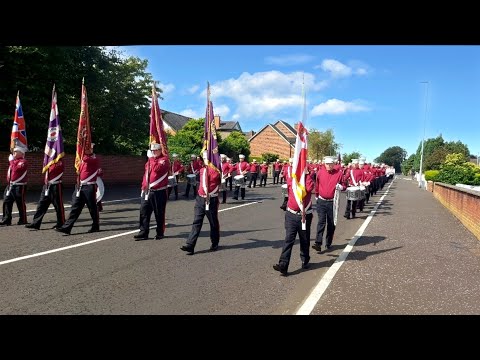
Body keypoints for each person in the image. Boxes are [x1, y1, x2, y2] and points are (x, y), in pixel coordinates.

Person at [273, 168, 315, 276]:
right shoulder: (291, 178)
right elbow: (288, 188)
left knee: (304, 239)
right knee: (288, 239)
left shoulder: (308, 179)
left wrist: (306, 175)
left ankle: (305, 260)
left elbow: (310, 188)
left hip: (304, 216)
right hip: (291, 215)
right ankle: (283, 265)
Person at [180, 152, 221, 255]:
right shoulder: (202, 170)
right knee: (196, 222)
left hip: (211, 199)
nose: (202, 160)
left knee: (213, 223)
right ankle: (190, 245)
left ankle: (215, 242)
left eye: (204, 158)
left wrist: (212, 167)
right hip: (200, 199)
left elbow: (217, 179)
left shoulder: (216, 171)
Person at [55, 146, 101, 235]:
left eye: (88, 148)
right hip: (80, 187)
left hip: (89, 187)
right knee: (75, 207)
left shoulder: (94, 159)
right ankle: (67, 227)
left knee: (92, 208)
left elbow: (86, 159)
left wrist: (82, 151)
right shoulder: (83, 160)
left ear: (92, 149)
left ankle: (96, 225)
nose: (85, 150)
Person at [133, 143, 170, 241]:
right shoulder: (150, 161)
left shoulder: (164, 160)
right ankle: (143, 232)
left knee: (159, 213)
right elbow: (146, 174)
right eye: (152, 150)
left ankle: (160, 233)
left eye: (155, 150)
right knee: (144, 212)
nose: (153, 152)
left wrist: (151, 159)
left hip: (159, 192)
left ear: (160, 150)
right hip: (147, 191)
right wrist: (143, 186)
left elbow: (157, 169)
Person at [312, 156, 345, 252]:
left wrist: (341, 187)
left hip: (332, 202)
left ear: (334, 164)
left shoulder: (339, 174)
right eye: (327, 164)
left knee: (331, 224)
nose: (329, 166)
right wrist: (317, 196)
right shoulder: (320, 172)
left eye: (331, 164)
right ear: (324, 164)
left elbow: (344, 185)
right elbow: (317, 185)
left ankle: (328, 242)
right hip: (321, 201)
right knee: (321, 222)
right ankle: (318, 243)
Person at [25, 158, 65, 230]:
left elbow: (54, 169)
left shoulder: (59, 162)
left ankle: (61, 223)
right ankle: (36, 223)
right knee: (41, 205)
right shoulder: (48, 161)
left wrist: (49, 163)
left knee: (58, 206)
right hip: (46, 186)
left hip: (55, 186)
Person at [0, 146, 29, 226]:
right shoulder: (14, 161)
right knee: (6, 201)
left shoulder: (23, 161)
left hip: (19, 186)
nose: (14, 153)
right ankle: (6, 219)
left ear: (22, 153)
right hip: (10, 185)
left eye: (16, 151)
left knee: (20, 203)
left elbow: (16, 169)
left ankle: (23, 219)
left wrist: (12, 161)